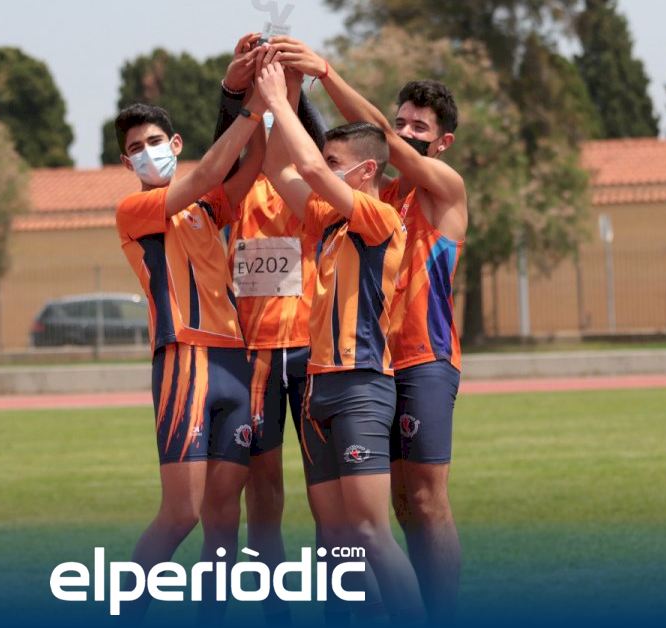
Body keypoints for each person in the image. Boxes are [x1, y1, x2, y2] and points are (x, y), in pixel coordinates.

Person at [270, 36, 470, 626]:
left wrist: (325, 75)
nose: (405, 131)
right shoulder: (371, 195)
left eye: (419, 127)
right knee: (378, 508)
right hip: (371, 359)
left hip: (424, 354)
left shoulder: (441, 186)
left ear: (442, 142)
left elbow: (373, 136)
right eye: (401, 121)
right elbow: (320, 162)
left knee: (424, 501)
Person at [255, 59, 425, 624]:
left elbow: (305, 165)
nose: (322, 171)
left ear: (366, 170)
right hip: (318, 390)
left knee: (371, 533)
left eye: (335, 164)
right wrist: (289, 91)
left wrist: (277, 102)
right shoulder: (328, 220)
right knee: (336, 538)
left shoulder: (379, 217)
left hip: (361, 388)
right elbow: (279, 169)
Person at [111, 47, 268, 620]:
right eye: (135, 148)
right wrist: (249, 107)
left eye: (153, 141)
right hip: (184, 362)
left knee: (224, 517)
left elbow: (252, 163)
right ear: (126, 162)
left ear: (174, 143)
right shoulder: (135, 211)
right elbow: (207, 172)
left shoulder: (207, 208)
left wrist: (259, 92)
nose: (145, 152)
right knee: (180, 514)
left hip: (234, 365)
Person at [211, 33, 330, 626]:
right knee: (264, 495)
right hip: (254, 355)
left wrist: (295, 82)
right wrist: (237, 90)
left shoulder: (308, 183)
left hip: (312, 351)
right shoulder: (233, 190)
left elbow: (317, 144)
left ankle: (340, 608)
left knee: (329, 497)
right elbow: (224, 142)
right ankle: (275, 612)